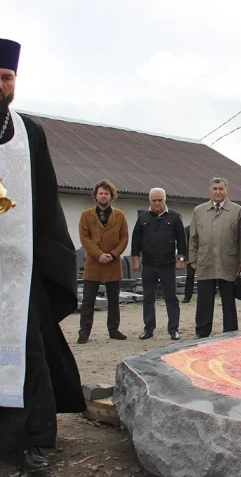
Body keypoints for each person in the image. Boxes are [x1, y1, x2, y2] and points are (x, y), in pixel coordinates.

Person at [0, 38, 84, 472]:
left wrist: (54, 258)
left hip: (20, 268)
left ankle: (25, 439)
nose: (1, 84)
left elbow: (48, 197)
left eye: (6, 77)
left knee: (26, 352)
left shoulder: (30, 132)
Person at [189, 177, 241, 338]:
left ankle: (230, 332)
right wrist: (192, 259)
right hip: (205, 261)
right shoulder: (198, 210)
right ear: (210, 191)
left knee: (228, 299)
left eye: (221, 189)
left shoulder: (237, 210)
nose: (218, 192)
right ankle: (202, 331)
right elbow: (193, 237)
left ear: (226, 190)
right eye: (215, 189)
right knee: (204, 300)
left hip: (228, 261)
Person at [78, 180, 129, 343]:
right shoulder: (86, 215)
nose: (103, 196)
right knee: (88, 300)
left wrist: (113, 255)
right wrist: (98, 254)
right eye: (100, 193)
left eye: (106, 193)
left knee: (114, 299)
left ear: (111, 196)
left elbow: (124, 238)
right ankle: (84, 332)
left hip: (113, 263)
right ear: (95, 196)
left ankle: (113, 329)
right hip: (93, 262)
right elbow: (84, 237)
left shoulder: (120, 216)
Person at [131, 188, 186, 340]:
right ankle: (148, 329)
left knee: (171, 297)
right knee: (148, 297)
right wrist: (135, 260)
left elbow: (181, 240)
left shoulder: (174, 217)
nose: (157, 203)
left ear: (164, 200)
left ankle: (173, 328)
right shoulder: (143, 217)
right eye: (154, 200)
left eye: (160, 200)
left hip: (167, 264)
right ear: (150, 201)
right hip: (148, 264)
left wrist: (181, 260)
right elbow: (136, 241)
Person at [182, 224, 196, 304]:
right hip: (191, 258)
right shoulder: (187, 229)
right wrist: (186, 258)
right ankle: (187, 296)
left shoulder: (205, 228)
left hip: (204, 257)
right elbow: (183, 243)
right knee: (190, 276)